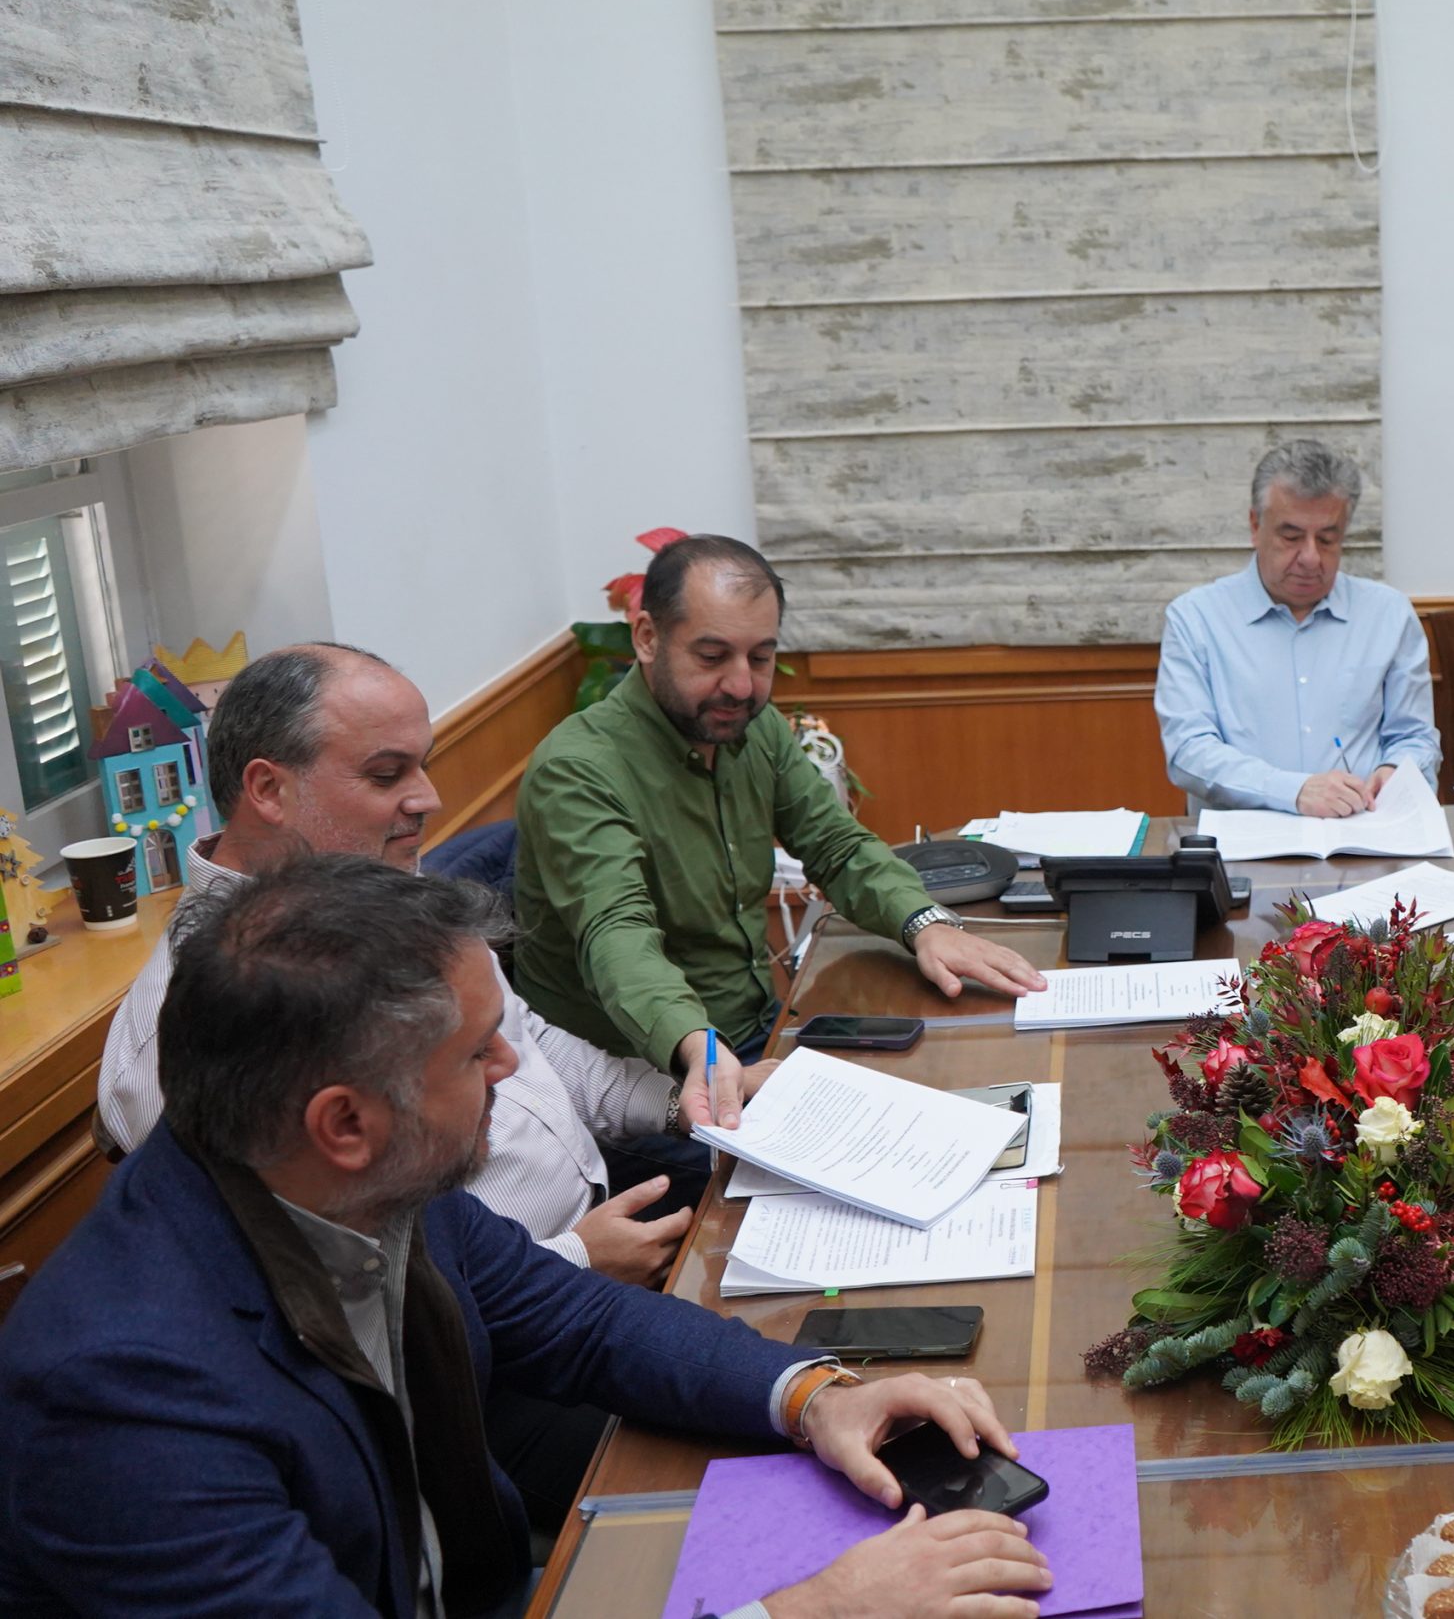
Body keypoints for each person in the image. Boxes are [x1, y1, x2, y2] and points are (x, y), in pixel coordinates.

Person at [0, 857, 1050, 1619]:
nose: (513, 1065)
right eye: (476, 1053)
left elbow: (587, 1325)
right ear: (345, 1123)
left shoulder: (346, 1185)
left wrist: (815, 1396)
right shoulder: (125, 1397)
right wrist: (816, 1611)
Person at [90, 643, 786, 1534]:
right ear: (268, 789)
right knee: (751, 1498)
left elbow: (535, 1049)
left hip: (568, 1276)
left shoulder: (386, 902)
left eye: (423, 765)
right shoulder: (193, 1035)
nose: (428, 799)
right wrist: (575, 1257)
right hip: (478, 1367)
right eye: (388, 775)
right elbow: (328, 1323)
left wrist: (694, 1098)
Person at [513, 535, 1044, 1129]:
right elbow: (618, 936)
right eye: (712, 657)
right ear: (647, 638)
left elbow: (835, 843)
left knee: (961, 1094)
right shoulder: (578, 770)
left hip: (761, 1035)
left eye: (760, 658)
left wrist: (925, 924)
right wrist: (698, 1046)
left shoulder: (751, 728)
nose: (742, 686)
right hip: (645, 1082)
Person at [1154, 439, 1440, 814]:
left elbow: (1414, 737)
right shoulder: (1196, 619)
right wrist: (1294, 791)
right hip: (1243, 839)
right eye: (1291, 537)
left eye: (1327, 539)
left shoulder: (1388, 614)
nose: (1310, 557)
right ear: (1255, 526)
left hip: (1361, 831)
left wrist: (1396, 772)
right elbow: (1189, 752)